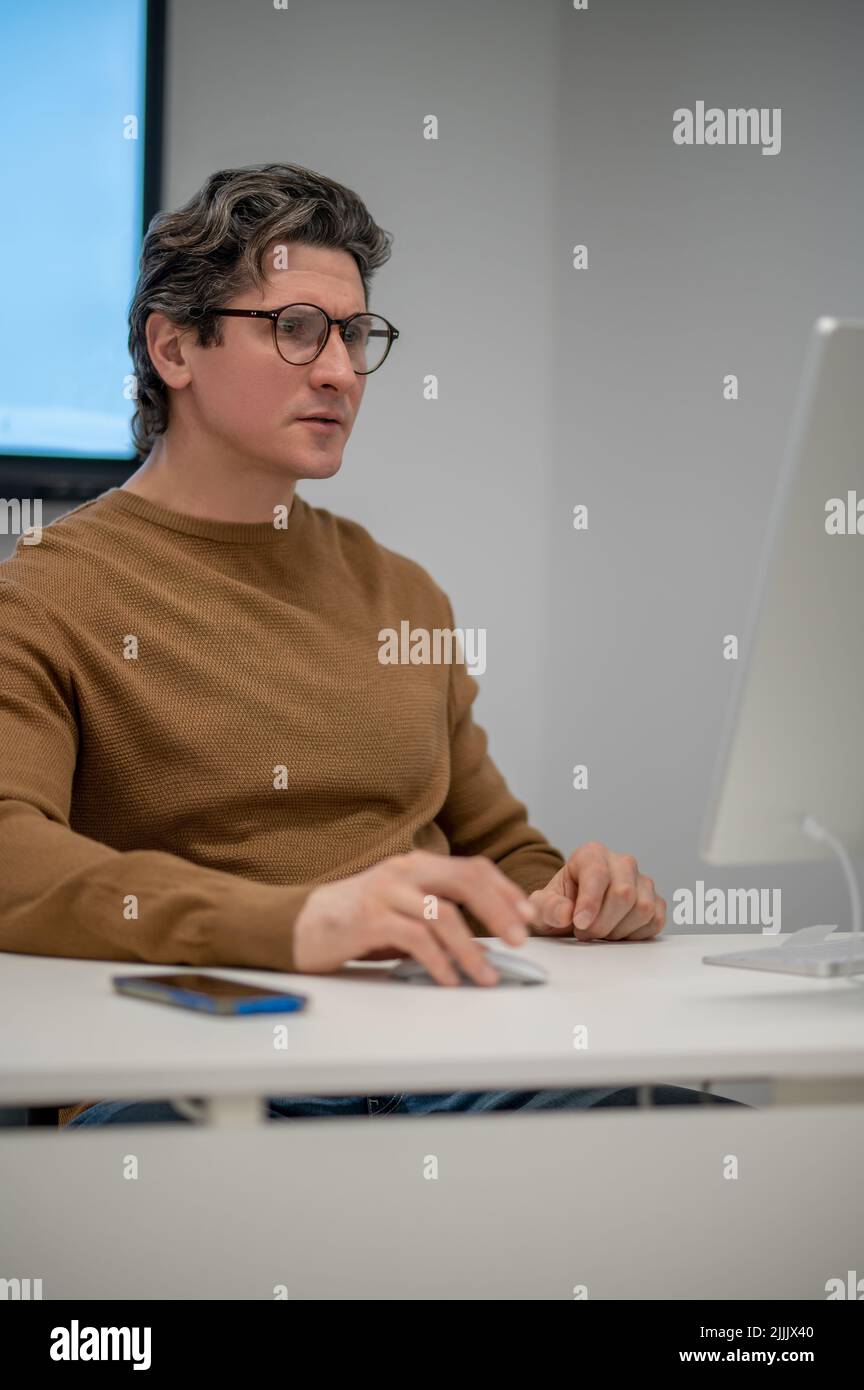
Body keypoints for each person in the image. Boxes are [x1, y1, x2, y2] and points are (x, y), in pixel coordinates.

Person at [0, 163, 740, 1125]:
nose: (341, 370)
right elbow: (11, 859)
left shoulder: (403, 594)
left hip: (445, 1055)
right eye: (296, 328)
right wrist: (298, 922)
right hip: (200, 1074)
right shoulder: (43, 594)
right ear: (174, 348)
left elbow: (498, 850)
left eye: (354, 334)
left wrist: (575, 898)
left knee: (718, 1144)